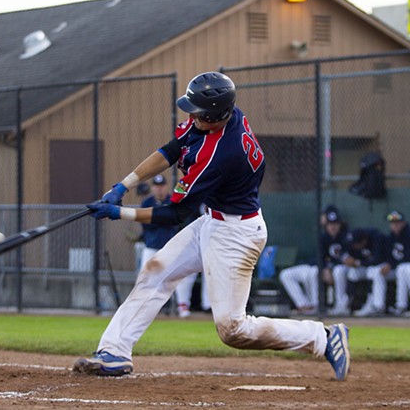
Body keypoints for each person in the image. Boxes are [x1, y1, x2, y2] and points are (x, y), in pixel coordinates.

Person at [73, 71, 350, 381]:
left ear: (215, 116)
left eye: (198, 113)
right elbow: (170, 150)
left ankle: (323, 337)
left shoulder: (219, 154)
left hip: (237, 235)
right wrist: (123, 186)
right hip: (213, 221)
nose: (192, 118)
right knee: (156, 270)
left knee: (233, 329)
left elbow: (175, 214)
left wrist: (118, 213)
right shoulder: (222, 117)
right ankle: (115, 352)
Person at [279, 207, 348, 316]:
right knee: (285, 274)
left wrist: (328, 268)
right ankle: (304, 305)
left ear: (340, 224)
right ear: (326, 225)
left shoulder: (346, 237)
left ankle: (316, 306)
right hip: (313, 266)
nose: (333, 227)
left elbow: (345, 259)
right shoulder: (323, 237)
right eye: (330, 224)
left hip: (329, 269)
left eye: (335, 223)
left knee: (316, 272)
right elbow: (320, 257)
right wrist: (325, 268)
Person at [356, 210, 410, 317]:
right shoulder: (390, 238)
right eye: (392, 223)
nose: (395, 225)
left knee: (403, 269)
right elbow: (387, 258)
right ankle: (378, 306)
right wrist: (388, 265)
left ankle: (406, 306)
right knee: (379, 271)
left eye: (397, 223)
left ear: (403, 223)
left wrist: (391, 265)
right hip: (399, 267)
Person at [328, 227, 387, 316]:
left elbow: (377, 260)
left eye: (356, 244)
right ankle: (343, 305)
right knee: (343, 271)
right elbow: (343, 253)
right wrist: (346, 259)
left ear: (363, 241)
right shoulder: (350, 242)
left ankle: (376, 306)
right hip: (361, 268)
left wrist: (357, 262)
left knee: (374, 272)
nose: (354, 246)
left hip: (377, 268)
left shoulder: (377, 239)